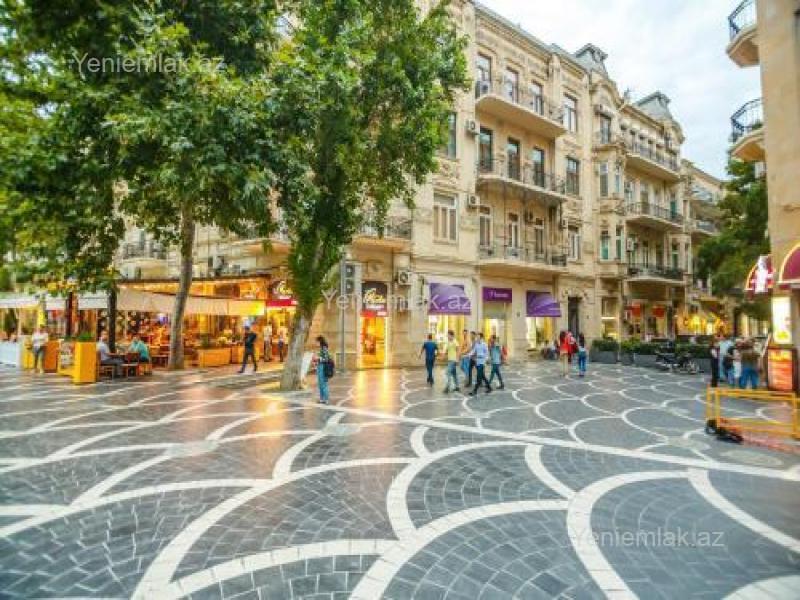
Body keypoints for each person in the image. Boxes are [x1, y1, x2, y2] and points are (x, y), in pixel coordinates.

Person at [312, 336, 332, 404]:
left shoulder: (324, 348)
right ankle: (321, 398)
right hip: (319, 366)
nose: (316, 343)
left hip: (323, 367)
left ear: (320, 341)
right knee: (320, 383)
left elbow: (326, 359)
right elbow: (318, 358)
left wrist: (318, 358)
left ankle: (326, 399)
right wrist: (315, 361)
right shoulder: (319, 349)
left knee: (324, 383)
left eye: (316, 342)